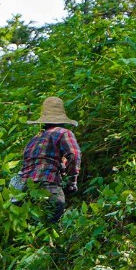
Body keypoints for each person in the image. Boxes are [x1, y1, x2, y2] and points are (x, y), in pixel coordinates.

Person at [13, 96, 82, 226]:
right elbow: (74, 155)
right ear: (62, 120)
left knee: (33, 227)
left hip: (25, 189)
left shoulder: (34, 139)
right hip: (48, 184)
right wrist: (72, 180)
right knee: (53, 224)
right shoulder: (64, 133)